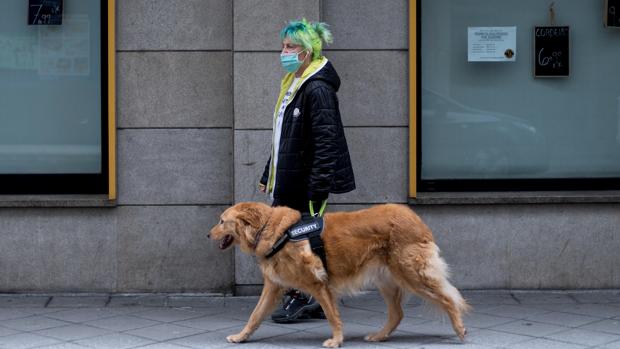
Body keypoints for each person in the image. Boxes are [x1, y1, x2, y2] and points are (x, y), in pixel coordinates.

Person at [258, 19, 355, 323]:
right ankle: (304, 293)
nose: (284, 51)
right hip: (289, 180)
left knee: (303, 242)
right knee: (291, 241)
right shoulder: (294, 84)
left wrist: (318, 188)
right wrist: (267, 174)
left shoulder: (317, 89)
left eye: (291, 47)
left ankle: (308, 297)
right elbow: (283, 139)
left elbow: (327, 142)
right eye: (283, 45)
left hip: (305, 184)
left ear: (308, 51)